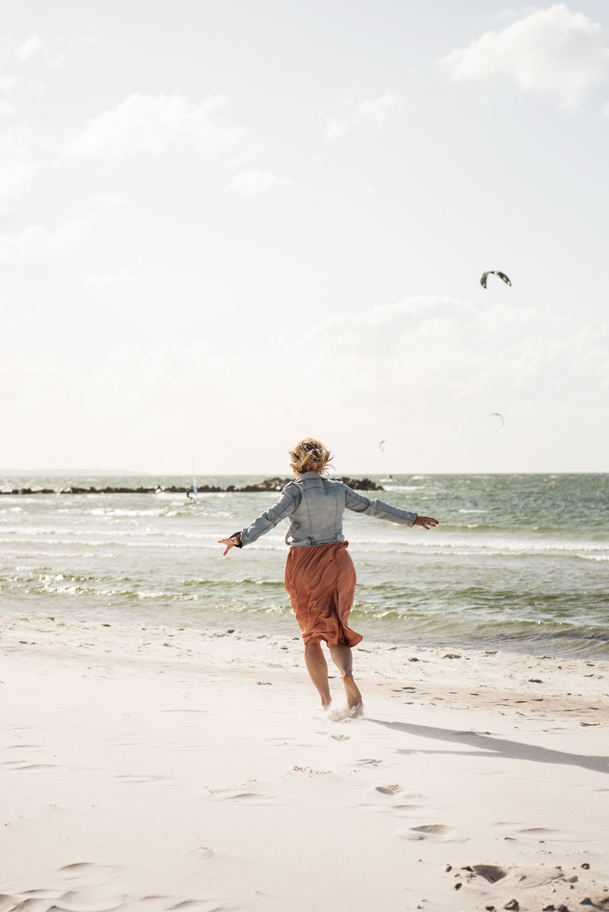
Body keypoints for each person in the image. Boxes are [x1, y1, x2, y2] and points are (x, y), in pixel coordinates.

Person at [219, 438, 438, 716]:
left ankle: (326, 702)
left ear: (294, 464)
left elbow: (269, 518)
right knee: (338, 633)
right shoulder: (338, 489)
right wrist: (411, 518)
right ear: (322, 463)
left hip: (306, 565)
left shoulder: (294, 492)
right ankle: (346, 673)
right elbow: (372, 506)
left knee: (311, 636)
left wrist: (238, 540)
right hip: (339, 562)